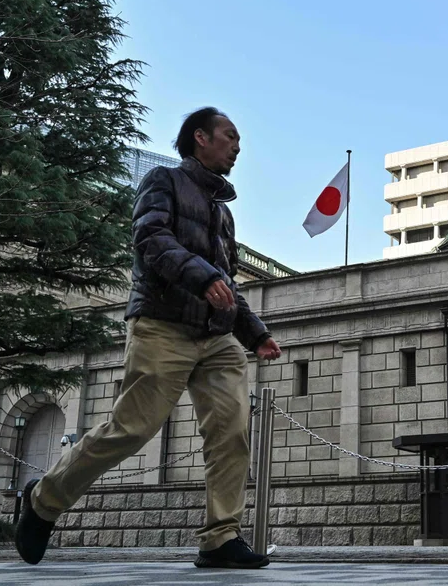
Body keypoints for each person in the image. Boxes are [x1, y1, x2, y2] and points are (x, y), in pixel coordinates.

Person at [15, 107, 281, 570]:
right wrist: (201, 278)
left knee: (232, 432)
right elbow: (150, 237)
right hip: (162, 325)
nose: (237, 147)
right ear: (200, 137)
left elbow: (226, 283)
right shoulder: (163, 180)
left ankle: (220, 537)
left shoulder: (223, 213)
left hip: (217, 338)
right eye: (229, 136)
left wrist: (254, 333)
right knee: (131, 429)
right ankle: (43, 498)